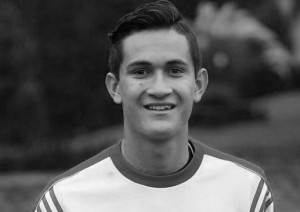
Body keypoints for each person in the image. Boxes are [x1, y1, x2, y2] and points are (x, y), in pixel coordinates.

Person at [32, 0, 275, 211]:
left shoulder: (247, 191)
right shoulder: (64, 202)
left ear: (199, 84)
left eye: (175, 70)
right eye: (141, 71)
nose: (159, 89)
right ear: (115, 87)